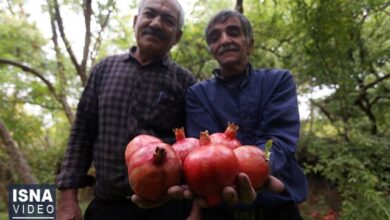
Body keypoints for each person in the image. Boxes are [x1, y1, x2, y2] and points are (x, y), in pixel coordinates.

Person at [55, 0, 196, 219]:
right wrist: (67, 200)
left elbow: (193, 149)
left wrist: (195, 211)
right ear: (135, 21)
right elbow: (81, 134)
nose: (156, 24)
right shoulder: (104, 70)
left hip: (166, 209)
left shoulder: (185, 82)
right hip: (106, 206)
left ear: (177, 36)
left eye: (168, 20)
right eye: (149, 14)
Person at [185, 10, 308, 220]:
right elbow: (205, 148)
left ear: (249, 43)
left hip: (278, 207)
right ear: (212, 50)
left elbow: (276, 139)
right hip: (221, 210)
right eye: (215, 37)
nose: (224, 40)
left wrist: (262, 163)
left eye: (233, 32)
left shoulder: (278, 81)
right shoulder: (198, 94)